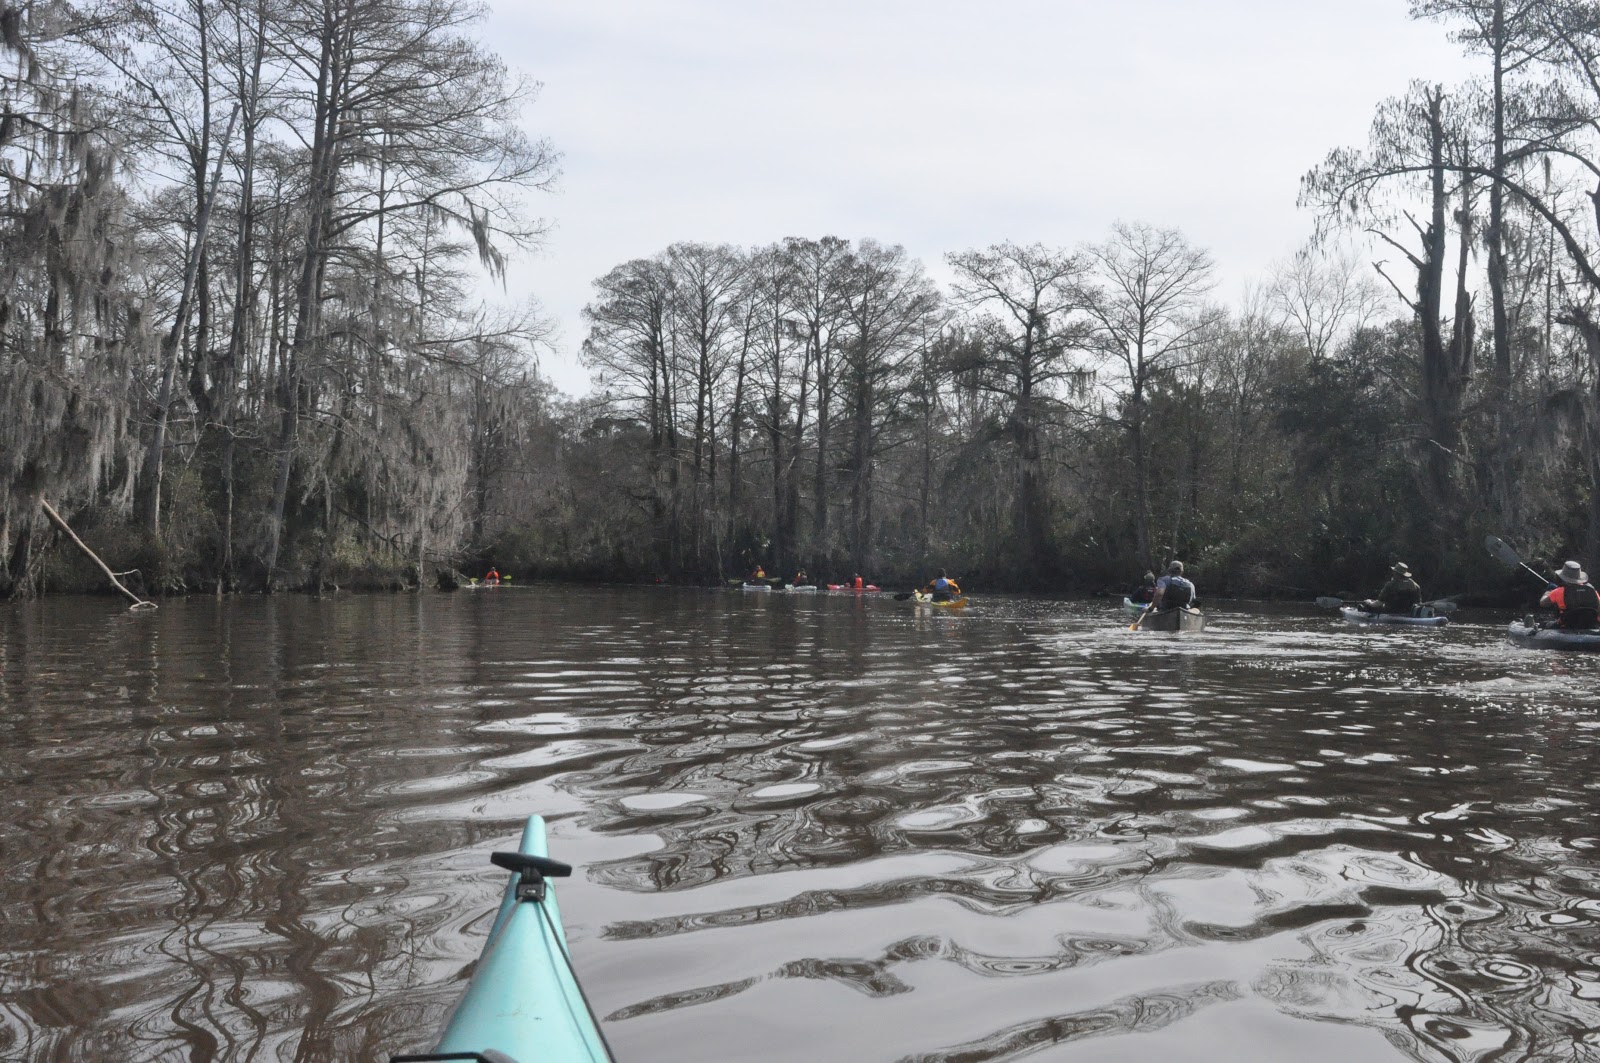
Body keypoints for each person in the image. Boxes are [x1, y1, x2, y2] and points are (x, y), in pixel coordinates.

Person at [1540, 560, 1600, 629]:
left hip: (1567, 625)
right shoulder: (1592, 590)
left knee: (1547, 624)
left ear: (1564, 578)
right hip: (1591, 625)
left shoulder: (1558, 591)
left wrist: (1547, 592)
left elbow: (1543, 603)